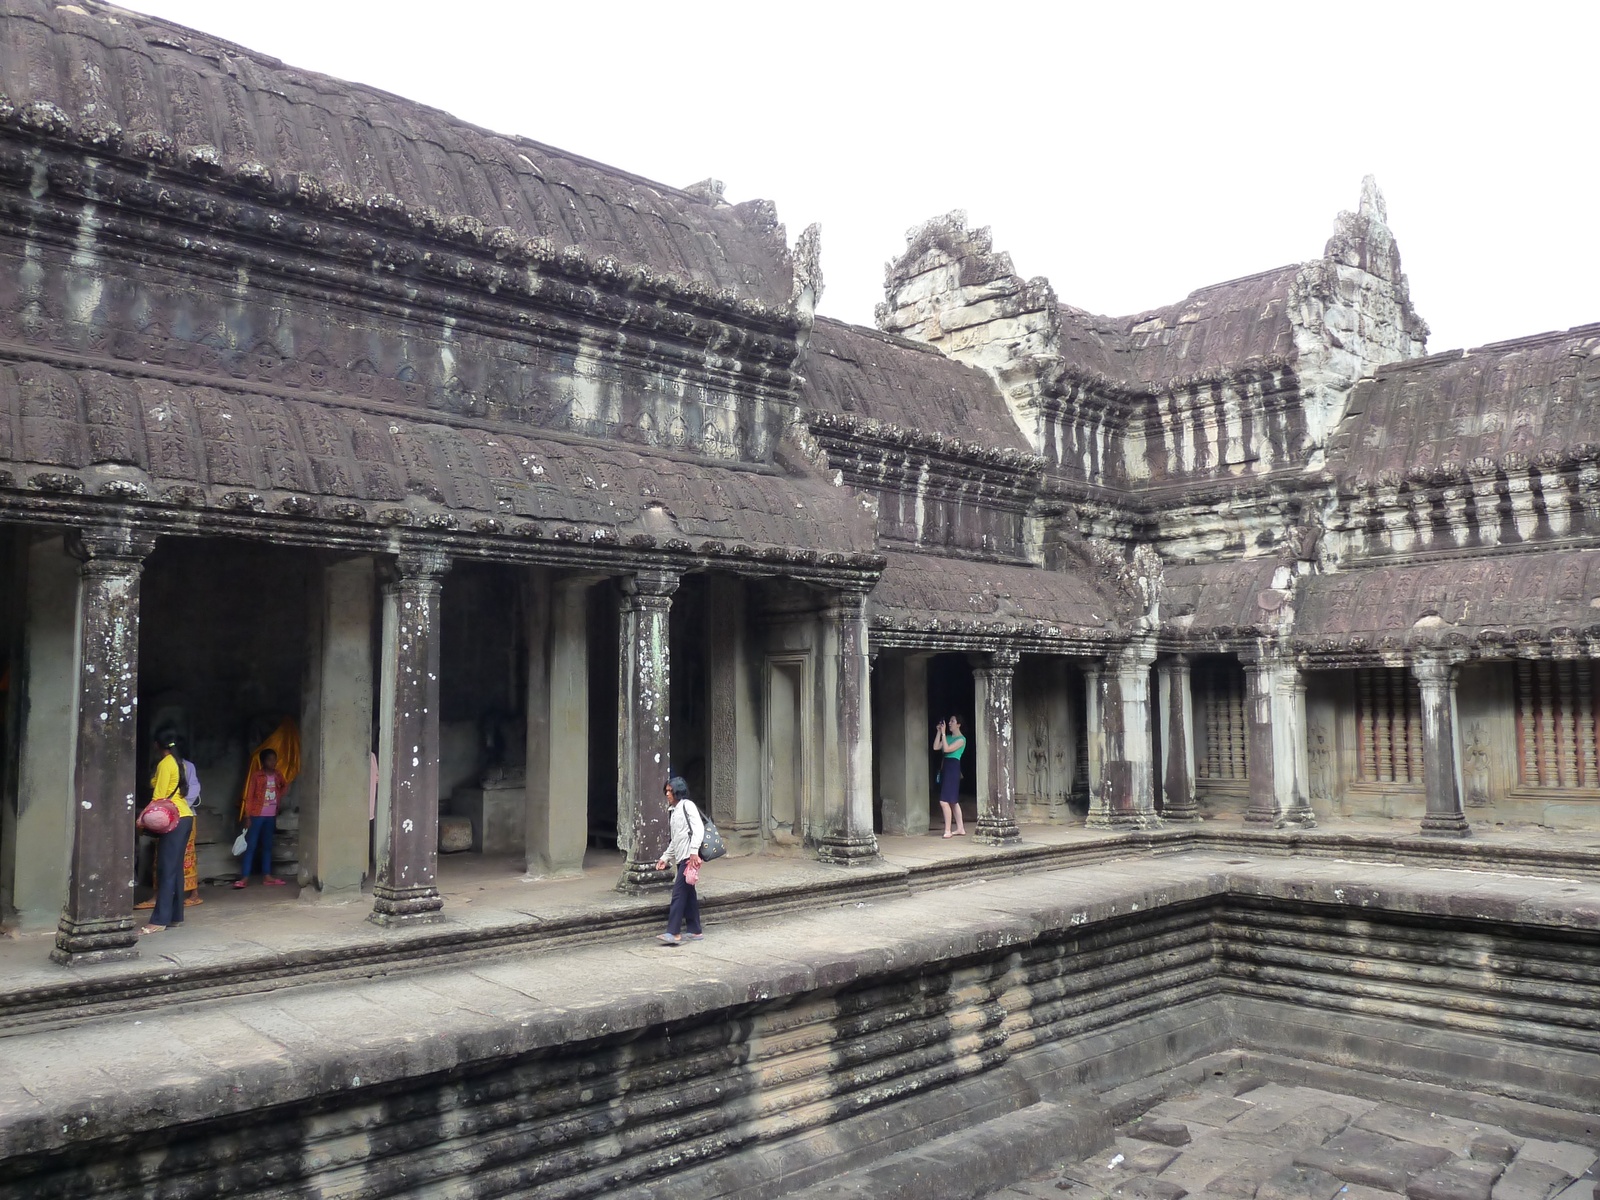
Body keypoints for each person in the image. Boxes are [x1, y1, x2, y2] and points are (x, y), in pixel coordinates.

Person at [136, 749, 203, 911]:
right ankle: (173, 909)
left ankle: (182, 899)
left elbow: (159, 795)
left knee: (174, 862)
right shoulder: (172, 764)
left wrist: (169, 808)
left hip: (173, 816)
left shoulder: (170, 764)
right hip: (176, 817)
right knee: (173, 862)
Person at [142, 737, 195, 935]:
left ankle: (159, 920)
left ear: (157, 745)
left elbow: (159, 797)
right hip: (185, 816)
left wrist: (141, 817)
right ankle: (175, 916)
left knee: (166, 869)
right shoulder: (179, 762)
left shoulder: (165, 763)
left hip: (174, 818)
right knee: (175, 868)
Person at [654, 775, 704, 946]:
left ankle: (674, 932)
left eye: (671, 791)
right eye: (666, 791)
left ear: (678, 791)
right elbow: (676, 839)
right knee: (689, 894)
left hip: (689, 857)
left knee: (678, 893)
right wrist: (665, 857)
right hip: (682, 856)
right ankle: (695, 930)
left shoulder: (687, 805)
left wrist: (694, 852)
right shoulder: (674, 811)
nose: (667, 794)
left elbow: (698, 829)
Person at [236, 747, 288, 887]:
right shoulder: (256, 776)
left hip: (271, 816)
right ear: (263, 761)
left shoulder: (277, 775)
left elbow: (284, 785)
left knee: (267, 846)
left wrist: (278, 795)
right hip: (256, 815)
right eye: (269, 760)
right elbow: (249, 796)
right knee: (251, 845)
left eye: (274, 759)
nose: (273, 762)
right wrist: (247, 816)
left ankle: (267, 876)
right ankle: (245, 877)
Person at [933, 715, 968, 838]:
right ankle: (960, 828)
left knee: (944, 801)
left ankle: (948, 830)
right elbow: (936, 747)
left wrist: (943, 733)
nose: (949, 723)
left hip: (953, 768)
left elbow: (947, 749)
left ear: (959, 724)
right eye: (949, 721)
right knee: (953, 801)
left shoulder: (961, 739)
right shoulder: (947, 737)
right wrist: (939, 732)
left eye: (953, 721)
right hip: (946, 768)